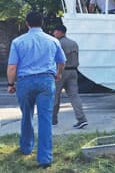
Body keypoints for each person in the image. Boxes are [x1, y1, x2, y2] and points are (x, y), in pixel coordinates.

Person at [6, 11, 66, 169]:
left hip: (25, 82)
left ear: (27, 23)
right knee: (45, 119)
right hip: (46, 80)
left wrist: (11, 84)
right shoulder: (53, 41)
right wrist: (58, 74)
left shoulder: (18, 42)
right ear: (43, 23)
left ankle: (26, 147)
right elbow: (62, 61)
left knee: (26, 115)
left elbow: (12, 66)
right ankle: (45, 158)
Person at [52, 25, 88, 129]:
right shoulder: (74, 43)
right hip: (73, 72)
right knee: (74, 96)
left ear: (59, 32)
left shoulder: (58, 43)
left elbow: (55, 59)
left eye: (55, 31)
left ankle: (53, 120)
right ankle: (81, 119)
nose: (53, 34)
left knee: (55, 96)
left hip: (61, 72)